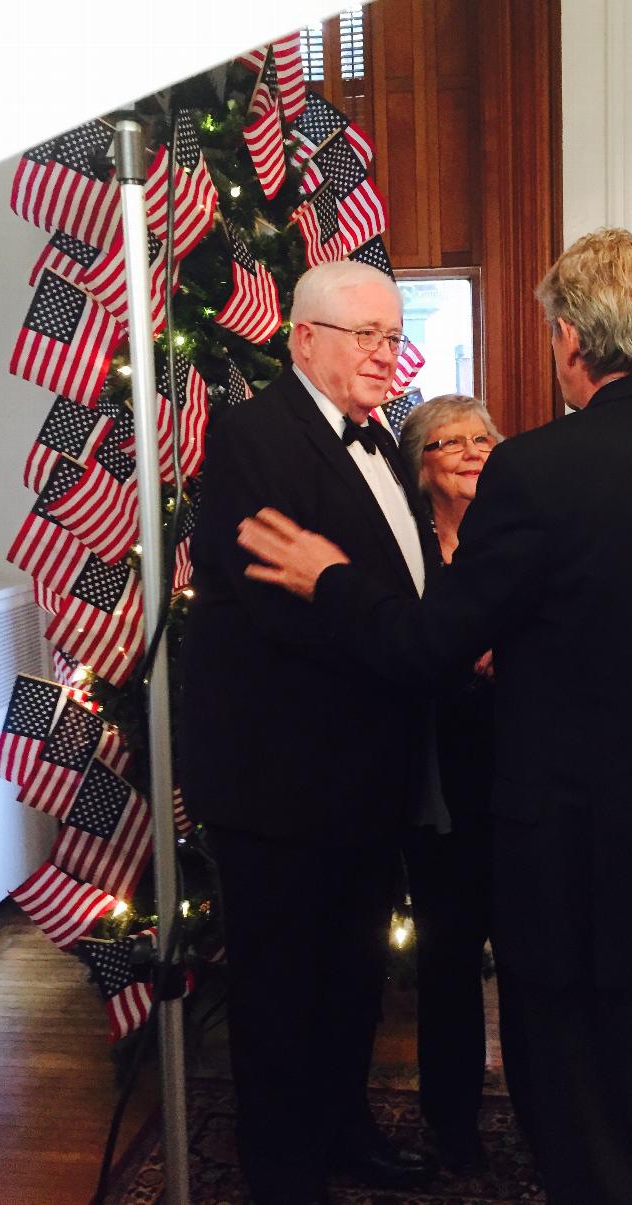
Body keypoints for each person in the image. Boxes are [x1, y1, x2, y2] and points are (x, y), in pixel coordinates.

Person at [236, 228, 632, 1205]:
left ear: (568, 339)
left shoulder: (536, 470)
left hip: (578, 855)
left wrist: (332, 578)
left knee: (583, 1113)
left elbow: (426, 644)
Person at [177, 260, 438, 1205]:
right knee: (284, 993)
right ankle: (284, 1175)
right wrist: (413, 649)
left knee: (352, 980)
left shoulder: (381, 443)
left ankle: (344, 1132)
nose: (384, 354)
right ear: (304, 339)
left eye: (393, 334)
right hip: (281, 785)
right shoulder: (257, 436)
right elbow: (282, 608)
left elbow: (396, 593)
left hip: (367, 780)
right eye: (363, 334)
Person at [397, 394, 501, 1169]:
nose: (470, 450)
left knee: (536, 959)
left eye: (482, 438)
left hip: (523, 772)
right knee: (449, 956)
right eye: (448, 441)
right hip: (436, 780)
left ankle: (547, 1108)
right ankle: (452, 1122)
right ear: (420, 463)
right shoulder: (401, 546)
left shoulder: (518, 536)